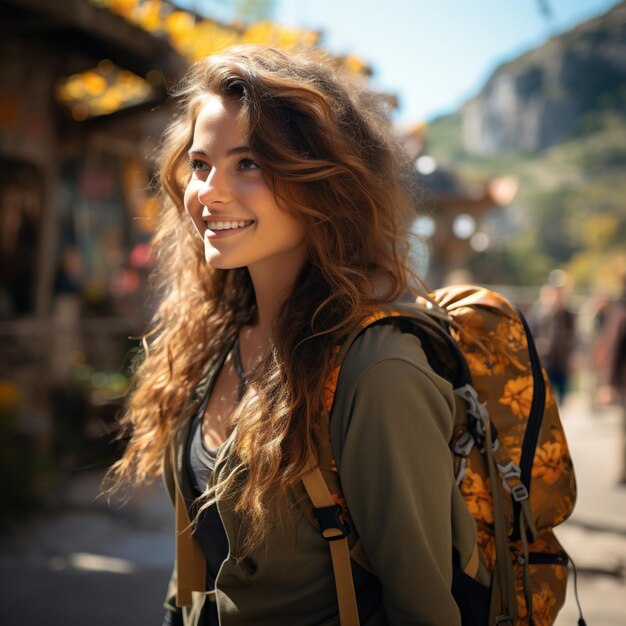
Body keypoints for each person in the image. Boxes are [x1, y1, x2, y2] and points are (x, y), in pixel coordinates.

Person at [105, 45, 479, 625]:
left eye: (248, 163)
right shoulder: (216, 338)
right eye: (201, 164)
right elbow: (197, 569)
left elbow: (424, 612)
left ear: (324, 182)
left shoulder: (377, 373)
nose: (207, 193)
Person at [529, 281, 576, 404]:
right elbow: (531, 334)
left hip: (561, 360)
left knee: (561, 397)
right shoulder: (539, 313)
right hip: (545, 360)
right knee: (545, 395)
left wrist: (573, 355)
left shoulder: (568, 314)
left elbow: (573, 336)